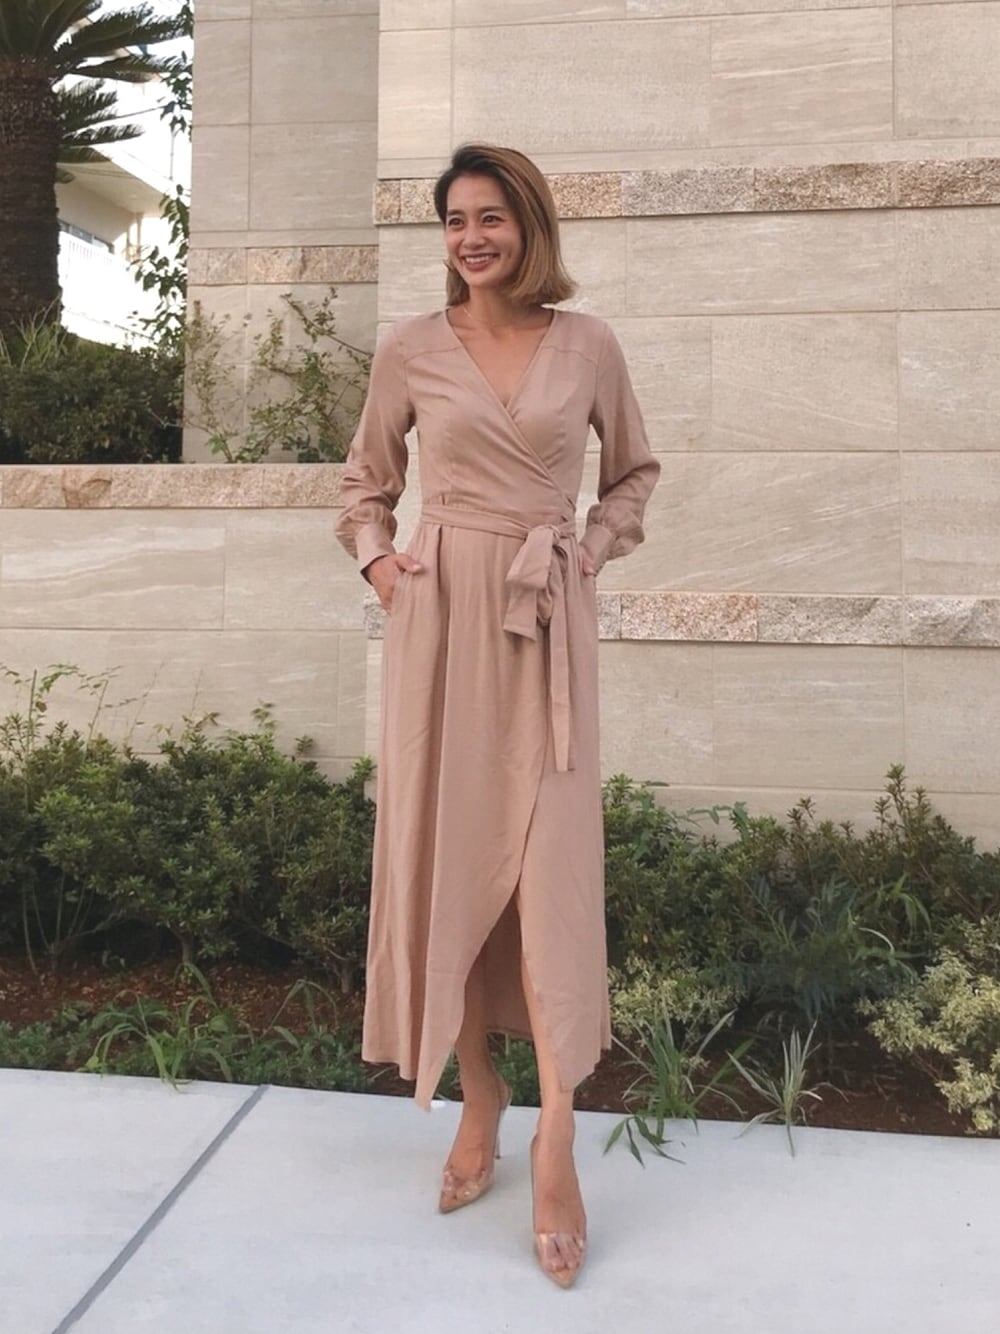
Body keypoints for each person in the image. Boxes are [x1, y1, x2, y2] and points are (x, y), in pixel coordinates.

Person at [335, 143, 659, 1289]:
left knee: (549, 870)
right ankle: (480, 1091)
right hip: (442, 629)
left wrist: (592, 544)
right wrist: (383, 567)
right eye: (455, 220)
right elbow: (364, 483)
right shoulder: (411, 348)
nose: (471, 237)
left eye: (491, 217)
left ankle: (558, 1130)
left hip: (546, 622)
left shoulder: (589, 344)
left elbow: (634, 472)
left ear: (528, 226)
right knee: (450, 856)